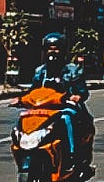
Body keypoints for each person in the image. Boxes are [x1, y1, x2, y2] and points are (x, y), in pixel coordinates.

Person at [32, 32, 95, 173]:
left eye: (56, 48)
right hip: (45, 109)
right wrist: (21, 100)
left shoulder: (72, 70)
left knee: (66, 118)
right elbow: (33, 91)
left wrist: (77, 96)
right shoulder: (40, 72)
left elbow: (82, 91)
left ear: (63, 50)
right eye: (49, 48)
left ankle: (72, 155)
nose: (52, 52)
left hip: (66, 108)